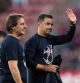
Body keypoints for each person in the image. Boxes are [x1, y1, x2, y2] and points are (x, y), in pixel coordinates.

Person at [24, 8, 77, 83]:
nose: (50, 27)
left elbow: (68, 38)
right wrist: (45, 68)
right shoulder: (32, 41)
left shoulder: (50, 38)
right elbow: (28, 62)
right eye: (47, 24)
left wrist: (73, 24)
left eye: (51, 24)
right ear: (39, 24)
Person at [1, 13, 27, 83]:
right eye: (22, 24)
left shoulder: (12, 41)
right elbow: (13, 68)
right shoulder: (11, 42)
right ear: (13, 26)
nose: (25, 26)